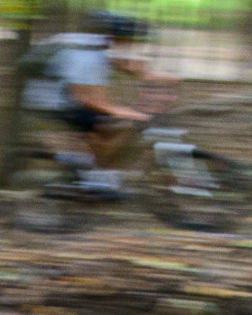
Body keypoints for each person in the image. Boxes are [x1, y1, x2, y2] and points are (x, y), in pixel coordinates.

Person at [22, 12, 174, 195]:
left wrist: (155, 76)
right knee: (117, 125)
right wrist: (124, 112)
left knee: (111, 122)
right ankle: (96, 180)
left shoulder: (96, 45)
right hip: (48, 101)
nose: (131, 44)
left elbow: (123, 64)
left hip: (58, 96)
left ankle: (86, 166)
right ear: (114, 37)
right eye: (128, 40)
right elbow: (84, 98)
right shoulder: (86, 56)